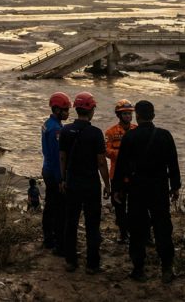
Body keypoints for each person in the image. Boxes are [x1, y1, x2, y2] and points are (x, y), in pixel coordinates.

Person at [113, 100, 180, 284]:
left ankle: (139, 269)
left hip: (137, 189)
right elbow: (173, 164)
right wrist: (175, 187)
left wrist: (117, 189)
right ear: (153, 116)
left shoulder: (130, 137)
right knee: (162, 227)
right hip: (159, 188)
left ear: (137, 116)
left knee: (137, 229)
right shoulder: (165, 135)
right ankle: (167, 268)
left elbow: (121, 167)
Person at [59, 91, 110, 274]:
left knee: (70, 222)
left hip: (72, 182)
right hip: (91, 185)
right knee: (92, 224)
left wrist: (63, 179)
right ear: (91, 110)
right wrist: (107, 184)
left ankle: (70, 261)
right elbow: (101, 162)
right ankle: (92, 264)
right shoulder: (96, 134)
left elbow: (62, 158)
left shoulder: (65, 131)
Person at [41, 92, 70, 254]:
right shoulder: (56, 130)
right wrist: (61, 179)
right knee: (59, 209)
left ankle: (48, 238)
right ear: (57, 110)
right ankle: (56, 241)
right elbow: (57, 156)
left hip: (46, 169)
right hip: (53, 173)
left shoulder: (47, 124)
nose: (67, 113)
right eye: (65, 110)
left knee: (50, 205)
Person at [105, 99, 137, 243]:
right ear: (119, 115)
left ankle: (134, 231)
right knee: (118, 205)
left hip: (133, 174)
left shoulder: (137, 130)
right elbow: (105, 150)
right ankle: (123, 233)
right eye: (125, 114)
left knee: (135, 205)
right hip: (116, 174)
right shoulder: (110, 132)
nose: (128, 116)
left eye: (129, 113)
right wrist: (121, 154)